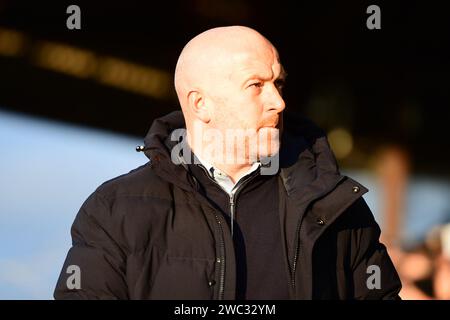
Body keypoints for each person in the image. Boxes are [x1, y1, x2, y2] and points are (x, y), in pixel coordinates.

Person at [54, 26, 401, 299]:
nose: (278, 102)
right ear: (200, 104)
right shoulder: (115, 211)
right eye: (256, 85)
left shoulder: (336, 207)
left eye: (278, 83)